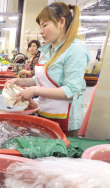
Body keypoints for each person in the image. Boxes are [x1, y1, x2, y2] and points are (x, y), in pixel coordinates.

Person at [5, 2, 90, 137]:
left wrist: (34, 90)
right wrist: (17, 81)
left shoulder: (76, 50)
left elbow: (71, 90)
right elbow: (39, 79)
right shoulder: (48, 50)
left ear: (61, 22)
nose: (41, 31)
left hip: (64, 119)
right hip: (46, 111)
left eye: (45, 25)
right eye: (40, 26)